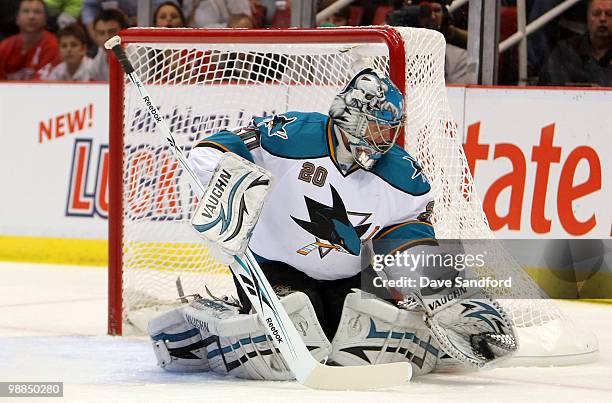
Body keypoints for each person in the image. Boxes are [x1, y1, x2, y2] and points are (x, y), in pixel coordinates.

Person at [147, 69, 516, 380]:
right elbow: (216, 149)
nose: (385, 140)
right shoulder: (293, 136)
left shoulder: (402, 175)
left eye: (391, 131)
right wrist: (227, 177)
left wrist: (439, 291)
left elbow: (404, 237)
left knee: (364, 343)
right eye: (377, 128)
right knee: (296, 332)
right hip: (273, 268)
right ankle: (207, 327)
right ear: (350, 116)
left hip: (349, 275)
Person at [539, 0, 611, 86]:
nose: (602, 19)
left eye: (610, 14)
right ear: (587, 17)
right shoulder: (566, 51)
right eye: (596, 13)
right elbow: (546, 89)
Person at [0, 0, 60, 80]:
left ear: (45, 19)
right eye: (25, 11)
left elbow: (42, 87)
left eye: (37, 12)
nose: (31, 17)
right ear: (17, 19)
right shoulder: (5, 46)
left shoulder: (53, 46)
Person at [89, 8, 129, 81]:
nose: (107, 37)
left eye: (112, 31)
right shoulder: (96, 60)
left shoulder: (137, 54)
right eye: (101, 33)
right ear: (96, 36)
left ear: (124, 31)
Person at [182, 0, 253, 28]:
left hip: (223, 48)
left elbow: (244, 23)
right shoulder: (187, 1)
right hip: (194, 48)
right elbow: (186, 25)